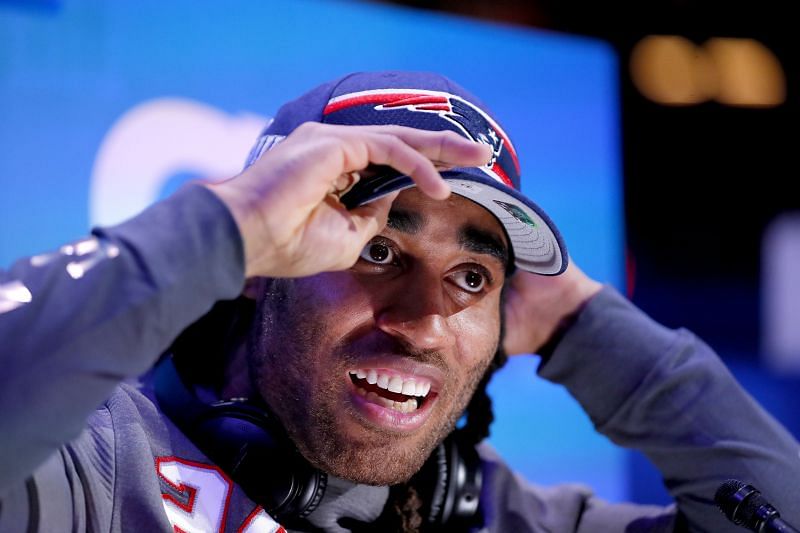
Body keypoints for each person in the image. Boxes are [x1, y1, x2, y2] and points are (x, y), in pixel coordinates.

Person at [0, 70, 798, 533]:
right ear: (261, 265)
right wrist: (221, 232)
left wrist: (584, 326)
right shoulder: (94, 467)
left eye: (472, 277)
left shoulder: (487, 515)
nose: (424, 322)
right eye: (377, 249)